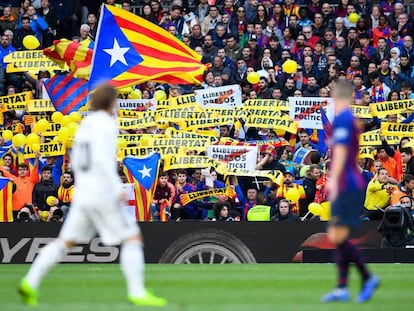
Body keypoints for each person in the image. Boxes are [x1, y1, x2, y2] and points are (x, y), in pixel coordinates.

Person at [18, 84, 167, 307]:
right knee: (132, 238)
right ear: (109, 102)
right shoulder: (106, 125)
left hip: (84, 194)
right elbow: (102, 160)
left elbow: (78, 162)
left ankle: (30, 281)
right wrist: (115, 187)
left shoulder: (84, 126)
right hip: (102, 193)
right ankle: (137, 291)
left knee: (64, 243)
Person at [322, 80, 379, 303]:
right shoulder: (345, 120)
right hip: (348, 181)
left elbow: (343, 152)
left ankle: (361, 280)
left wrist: (333, 179)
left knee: (338, 234)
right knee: (338, 235)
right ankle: (346, 286)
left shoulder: (345, 119)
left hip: (347, 182)